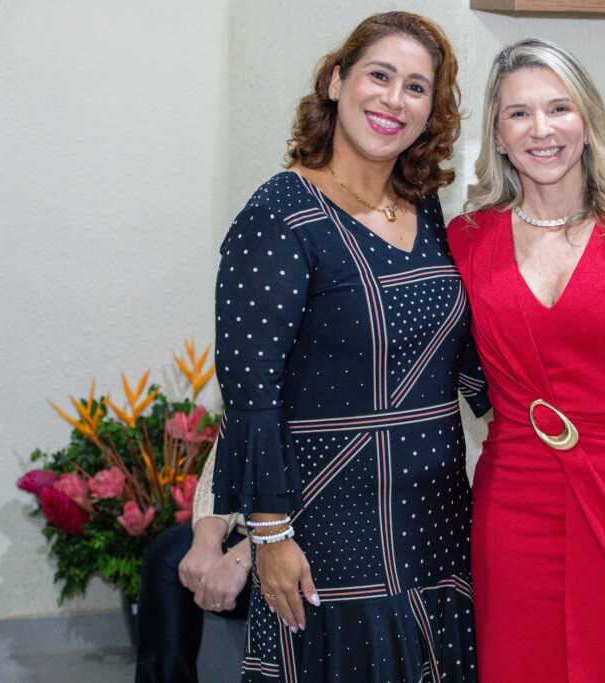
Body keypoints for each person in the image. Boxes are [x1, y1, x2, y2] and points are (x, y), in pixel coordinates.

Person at [211, 11, 488, 682]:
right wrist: (270, 537)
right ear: (337, 81)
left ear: (431, 110)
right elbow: (252, 400)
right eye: (379, 76)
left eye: (416, 87)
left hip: (439, 522)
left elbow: (462, 359)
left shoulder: (424, 206)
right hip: (334, 532)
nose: (395, 99)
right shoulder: (278, 216)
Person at [447, 39, 605, 682]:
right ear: (498, 135)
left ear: (587, 122)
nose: (541, 129)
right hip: (513, 507)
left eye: (559, 108)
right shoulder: (467, 240)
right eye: (519, 113)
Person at [135, 445, 252, 683]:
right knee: (169, 555)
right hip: (249, 530)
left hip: (312, 543)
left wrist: (247, 556)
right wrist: (206, 542)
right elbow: (224, 463)